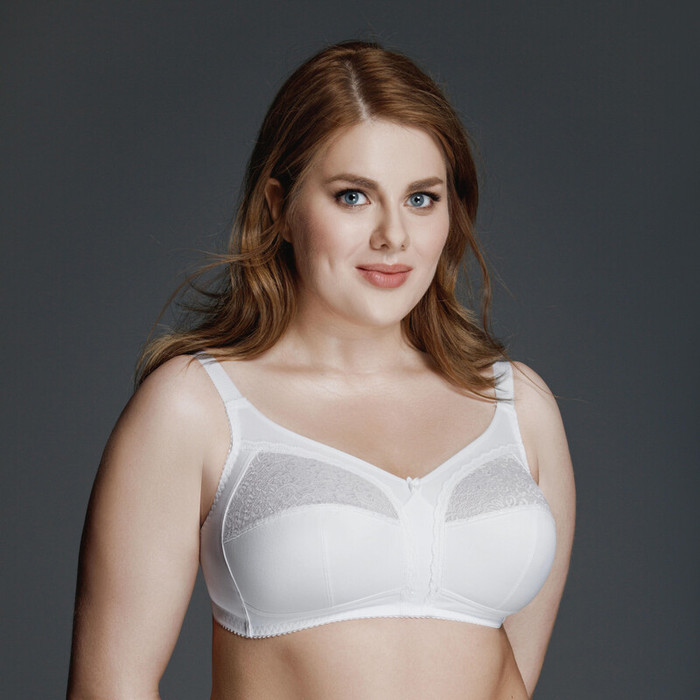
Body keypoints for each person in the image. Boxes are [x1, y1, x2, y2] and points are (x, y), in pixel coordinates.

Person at [67, 41, 575, 700]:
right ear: (278, 207)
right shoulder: (196, 406)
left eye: (422, 199)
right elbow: (111, 684)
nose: (393, 236)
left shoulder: (519, 406)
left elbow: (518, 675)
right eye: (353, 196)